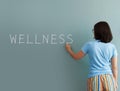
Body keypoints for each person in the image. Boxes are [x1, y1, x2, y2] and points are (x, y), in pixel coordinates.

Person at [65, 21, 118, 91]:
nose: (93, 32)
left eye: (94, 30)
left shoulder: (90, 45)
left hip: (95, 78)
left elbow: (76, 57)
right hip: (109, 78)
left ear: (97, 32)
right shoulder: (112, 47)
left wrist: (69, 50)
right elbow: (114, 67)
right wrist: (115, 81)